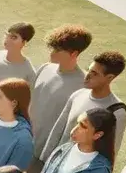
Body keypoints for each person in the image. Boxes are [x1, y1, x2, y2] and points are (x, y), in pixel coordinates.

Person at [41, 51, 126, 158]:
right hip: (57, 161)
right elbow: (58, 130)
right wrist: (45, 159)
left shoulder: (117, 112)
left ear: (110, 78)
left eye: (95, 73)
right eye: (89, 70)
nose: (87, 76)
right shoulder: (78, 94)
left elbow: (111, 151)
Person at [27, 25, 93, 161]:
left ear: (74, 53)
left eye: (58, 50)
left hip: (44, 156)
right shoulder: (45, 68)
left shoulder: (85, 87)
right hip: (22, 141)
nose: (52, 53)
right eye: (53, 48)